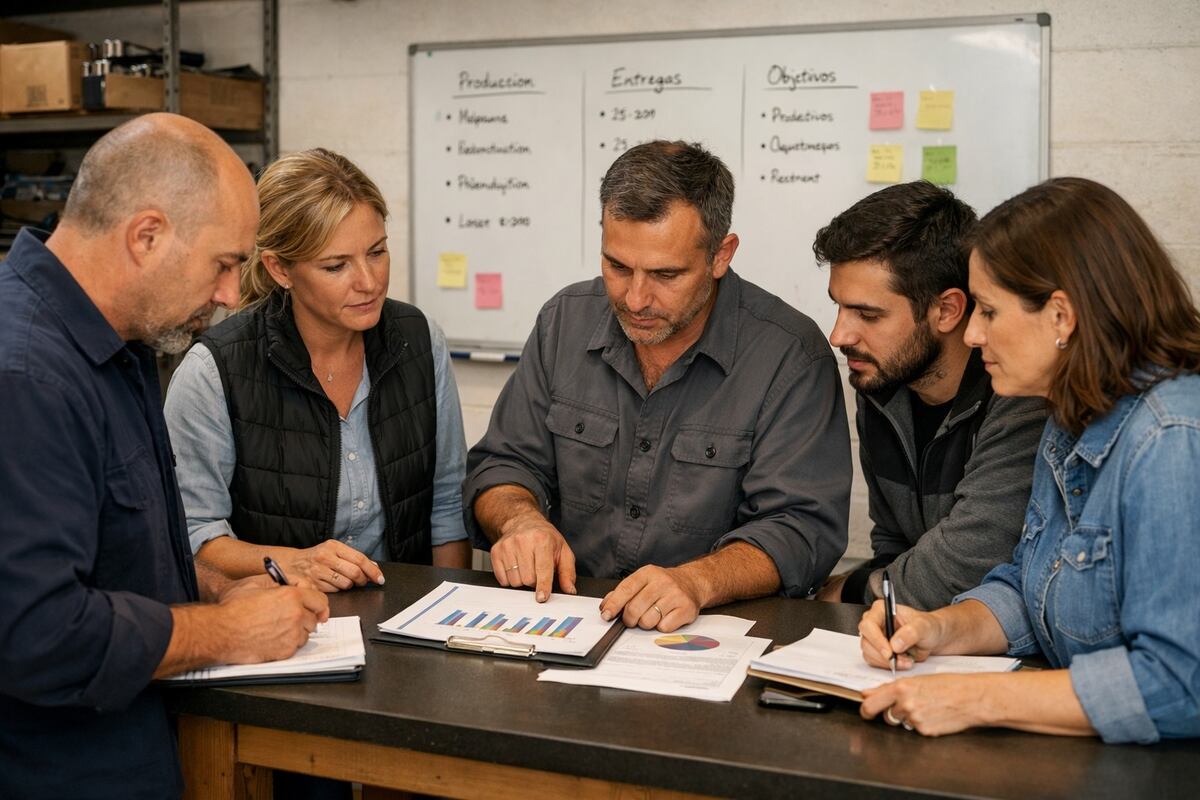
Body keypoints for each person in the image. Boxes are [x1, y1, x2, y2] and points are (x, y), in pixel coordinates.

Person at [0, 114, 329, 799]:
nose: (231, 295)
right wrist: (224, 631)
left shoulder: (120, 347)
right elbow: (37, 633)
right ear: (147, 237)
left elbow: (109, 553)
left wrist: (212, 591)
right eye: (225, 263)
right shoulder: (26, 377)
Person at [858, 177, 1200, 743]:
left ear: (1061, 317)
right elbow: (1031, 584)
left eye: (988, 311)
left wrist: (976, 697)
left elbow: (1179, 682)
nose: (970, 334)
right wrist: (941, 629)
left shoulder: (1172, 438)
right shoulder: (1071, 413)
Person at [464, 140, 851, 632]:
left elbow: (802, 529)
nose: (635, 298)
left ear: (721, 255)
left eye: (666, 274)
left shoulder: (789, 355)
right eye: (617, 266)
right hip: (567, 622)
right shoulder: (564, 320)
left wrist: (697, 582)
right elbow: (503, 463)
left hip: (707, 636)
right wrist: (519, 519)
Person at [164, 148, 471, 592]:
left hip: (402, 621)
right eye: (336, 266)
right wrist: (297, 564)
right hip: (276, 626)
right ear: (279, 269)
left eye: (377, 252)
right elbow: (195, 536)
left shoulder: (419, 340)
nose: (369, 281)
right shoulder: (214, 373)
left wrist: (447, 618)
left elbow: (446, 510)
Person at [813, 182, 1046, 609]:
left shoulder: (1017, 393)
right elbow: (894, 541)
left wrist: (856, 588)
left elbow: (970, 561)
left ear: (947, 310)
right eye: (839, 307)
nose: (839, 335)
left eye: (868, 314)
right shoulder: (880, 382)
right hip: (919, 637)